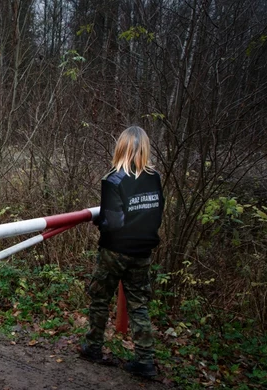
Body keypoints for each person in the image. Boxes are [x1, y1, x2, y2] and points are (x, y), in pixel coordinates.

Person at [79, 126, 164, 379]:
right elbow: (156, 214)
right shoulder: (155, 178)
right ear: (145, 148)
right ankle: (145, 361)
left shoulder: (113, 179)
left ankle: (93, 347)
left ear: (121, 148)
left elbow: (113, 223)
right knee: (139, 305)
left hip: (115, 251)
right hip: (143, 251)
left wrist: (100, 220)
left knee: (100, 298)